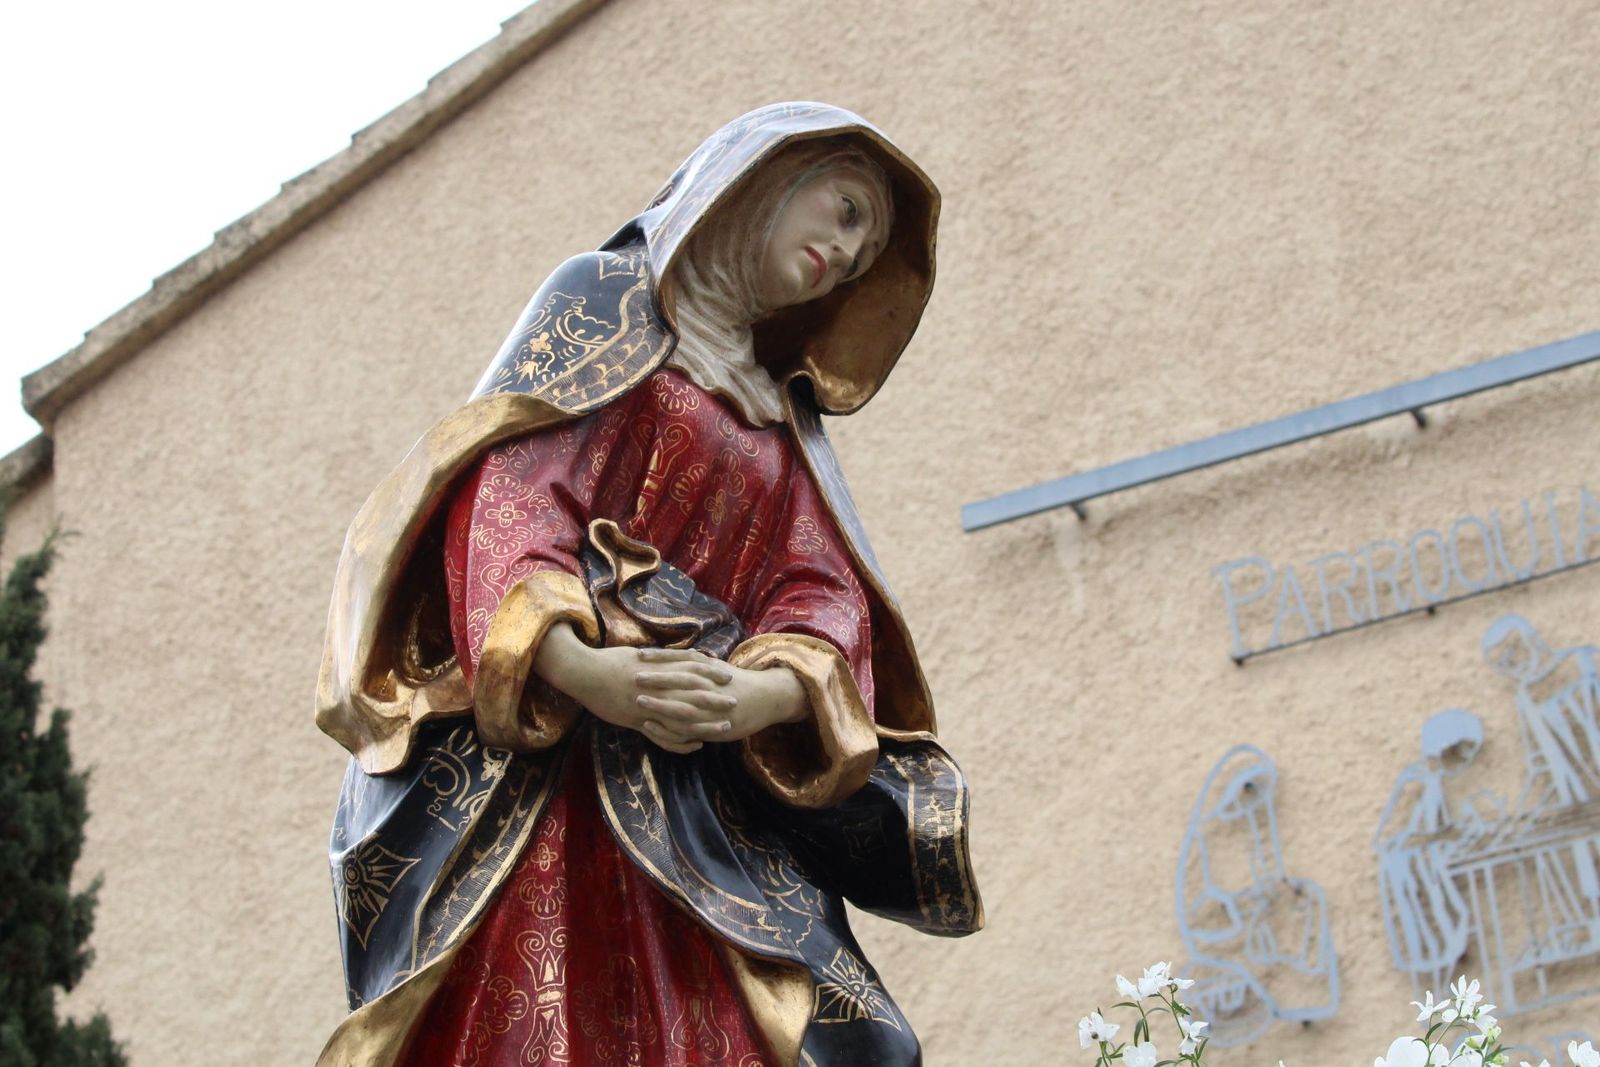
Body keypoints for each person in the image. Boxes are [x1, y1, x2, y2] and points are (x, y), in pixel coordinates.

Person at [314, 102, 982, 1067]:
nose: (844, 250)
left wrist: (756, 693)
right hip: (548, 781)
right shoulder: (602, 300)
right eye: (840, 211)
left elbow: (821, 593)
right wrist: (584, 670)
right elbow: (509, 492)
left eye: (866, 243)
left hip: (702, 805)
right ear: (760, 184)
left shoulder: (780, 421)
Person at [1372, 708, 1483, 997]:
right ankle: (1434, 995)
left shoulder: (1432, 780)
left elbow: (1439, 826)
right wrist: (1446, 836)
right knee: (1432, 934)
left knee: (1453, 925)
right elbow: (1393, 834)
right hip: (1410, 867)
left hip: (1427, 863)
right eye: (1458, 752)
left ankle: (1441, 991)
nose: (1462, 761)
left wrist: (1459, 830)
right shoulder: (1417, 779)